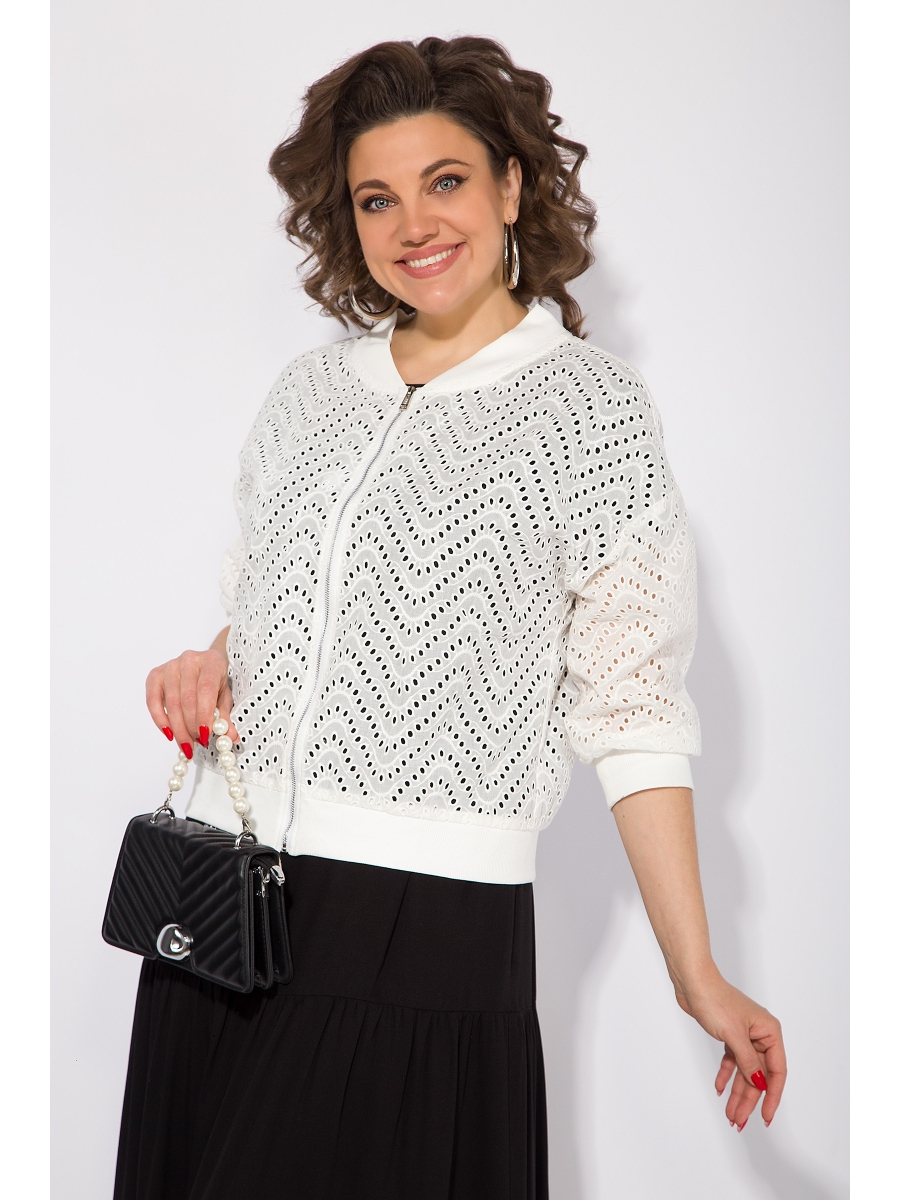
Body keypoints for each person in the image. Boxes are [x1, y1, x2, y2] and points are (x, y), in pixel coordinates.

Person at [114, 35, 786, 1200]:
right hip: (223, 904)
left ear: (511, 185)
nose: (413, 224)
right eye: (377, 198)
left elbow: (631, 710)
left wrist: (697, 973)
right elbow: (277, 603)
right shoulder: (311, 393)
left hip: (415, 922)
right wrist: (214, 661)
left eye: (446, 181)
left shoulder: (590, 411)